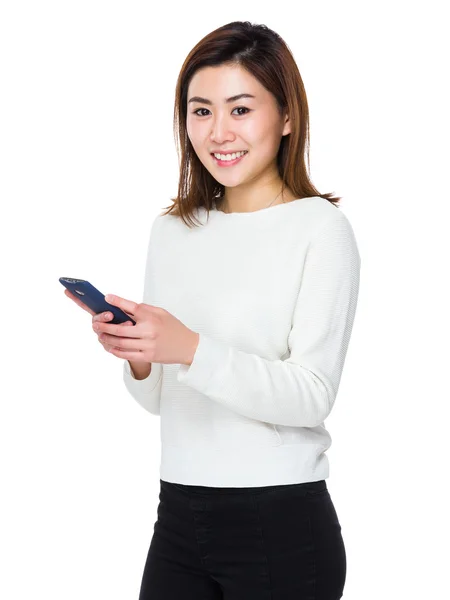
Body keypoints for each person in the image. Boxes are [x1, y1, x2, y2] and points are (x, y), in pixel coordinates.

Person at [97, 20, 360, 599]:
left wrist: (189, 346)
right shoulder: (171, 230)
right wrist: (139, 355)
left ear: (287, 116)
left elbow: (312, 393)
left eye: (240, 109)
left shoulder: (320, 229)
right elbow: (157, 399)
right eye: (200, 111)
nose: (219, 132)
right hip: (178, 514)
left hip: (281, 522)